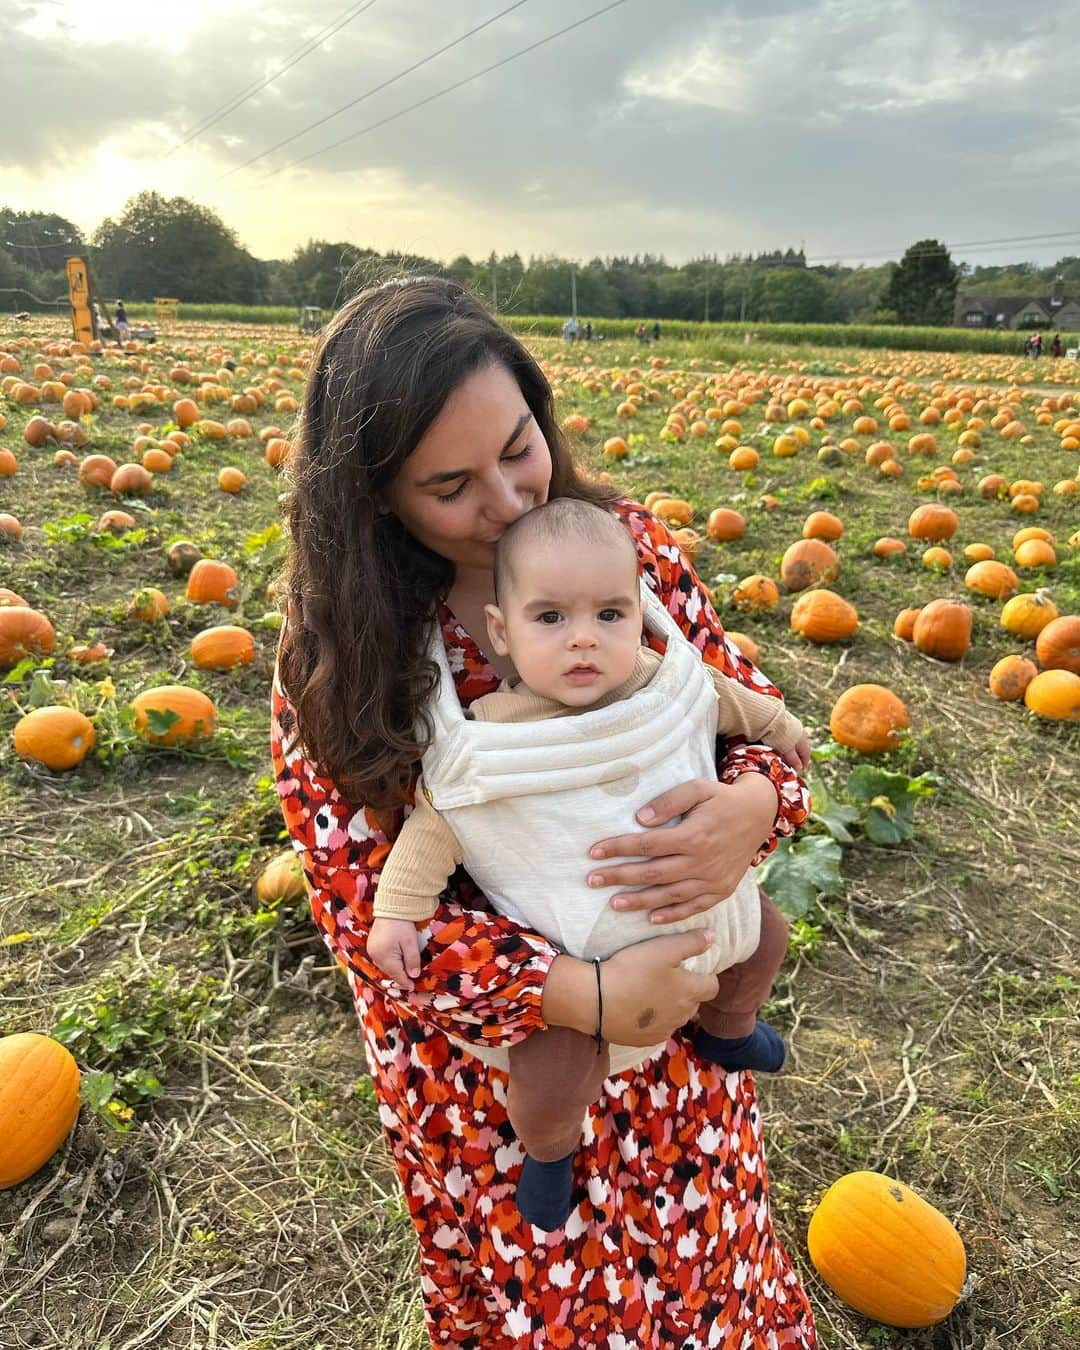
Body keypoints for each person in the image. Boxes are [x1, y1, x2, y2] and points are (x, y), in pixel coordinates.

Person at [272, 276, 818, 1347]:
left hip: (675, 1025)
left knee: (702, 1269)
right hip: (499, 1066)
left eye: (519, 447)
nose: (511, 501)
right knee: (559, 1301)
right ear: (375, 495)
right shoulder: (342, 656)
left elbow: (743, 710)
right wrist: (589, 993)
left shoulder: (633, 550)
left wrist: (753, 805)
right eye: (451, 485)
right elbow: (361, 910)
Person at [366, 496, 809, 1230]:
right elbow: (435, 826)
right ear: (501, 634)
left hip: (701, 919)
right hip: (577, 964)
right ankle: (550, 1150)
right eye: (551, 620)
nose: (584, 640)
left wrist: (779, 729)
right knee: (551, 1074)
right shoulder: (488, 741)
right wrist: (395, 913)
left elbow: (727, 701)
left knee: (765, 936)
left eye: (609, 614)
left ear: (639, 613)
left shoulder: (661, 684)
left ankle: (727, 1026)